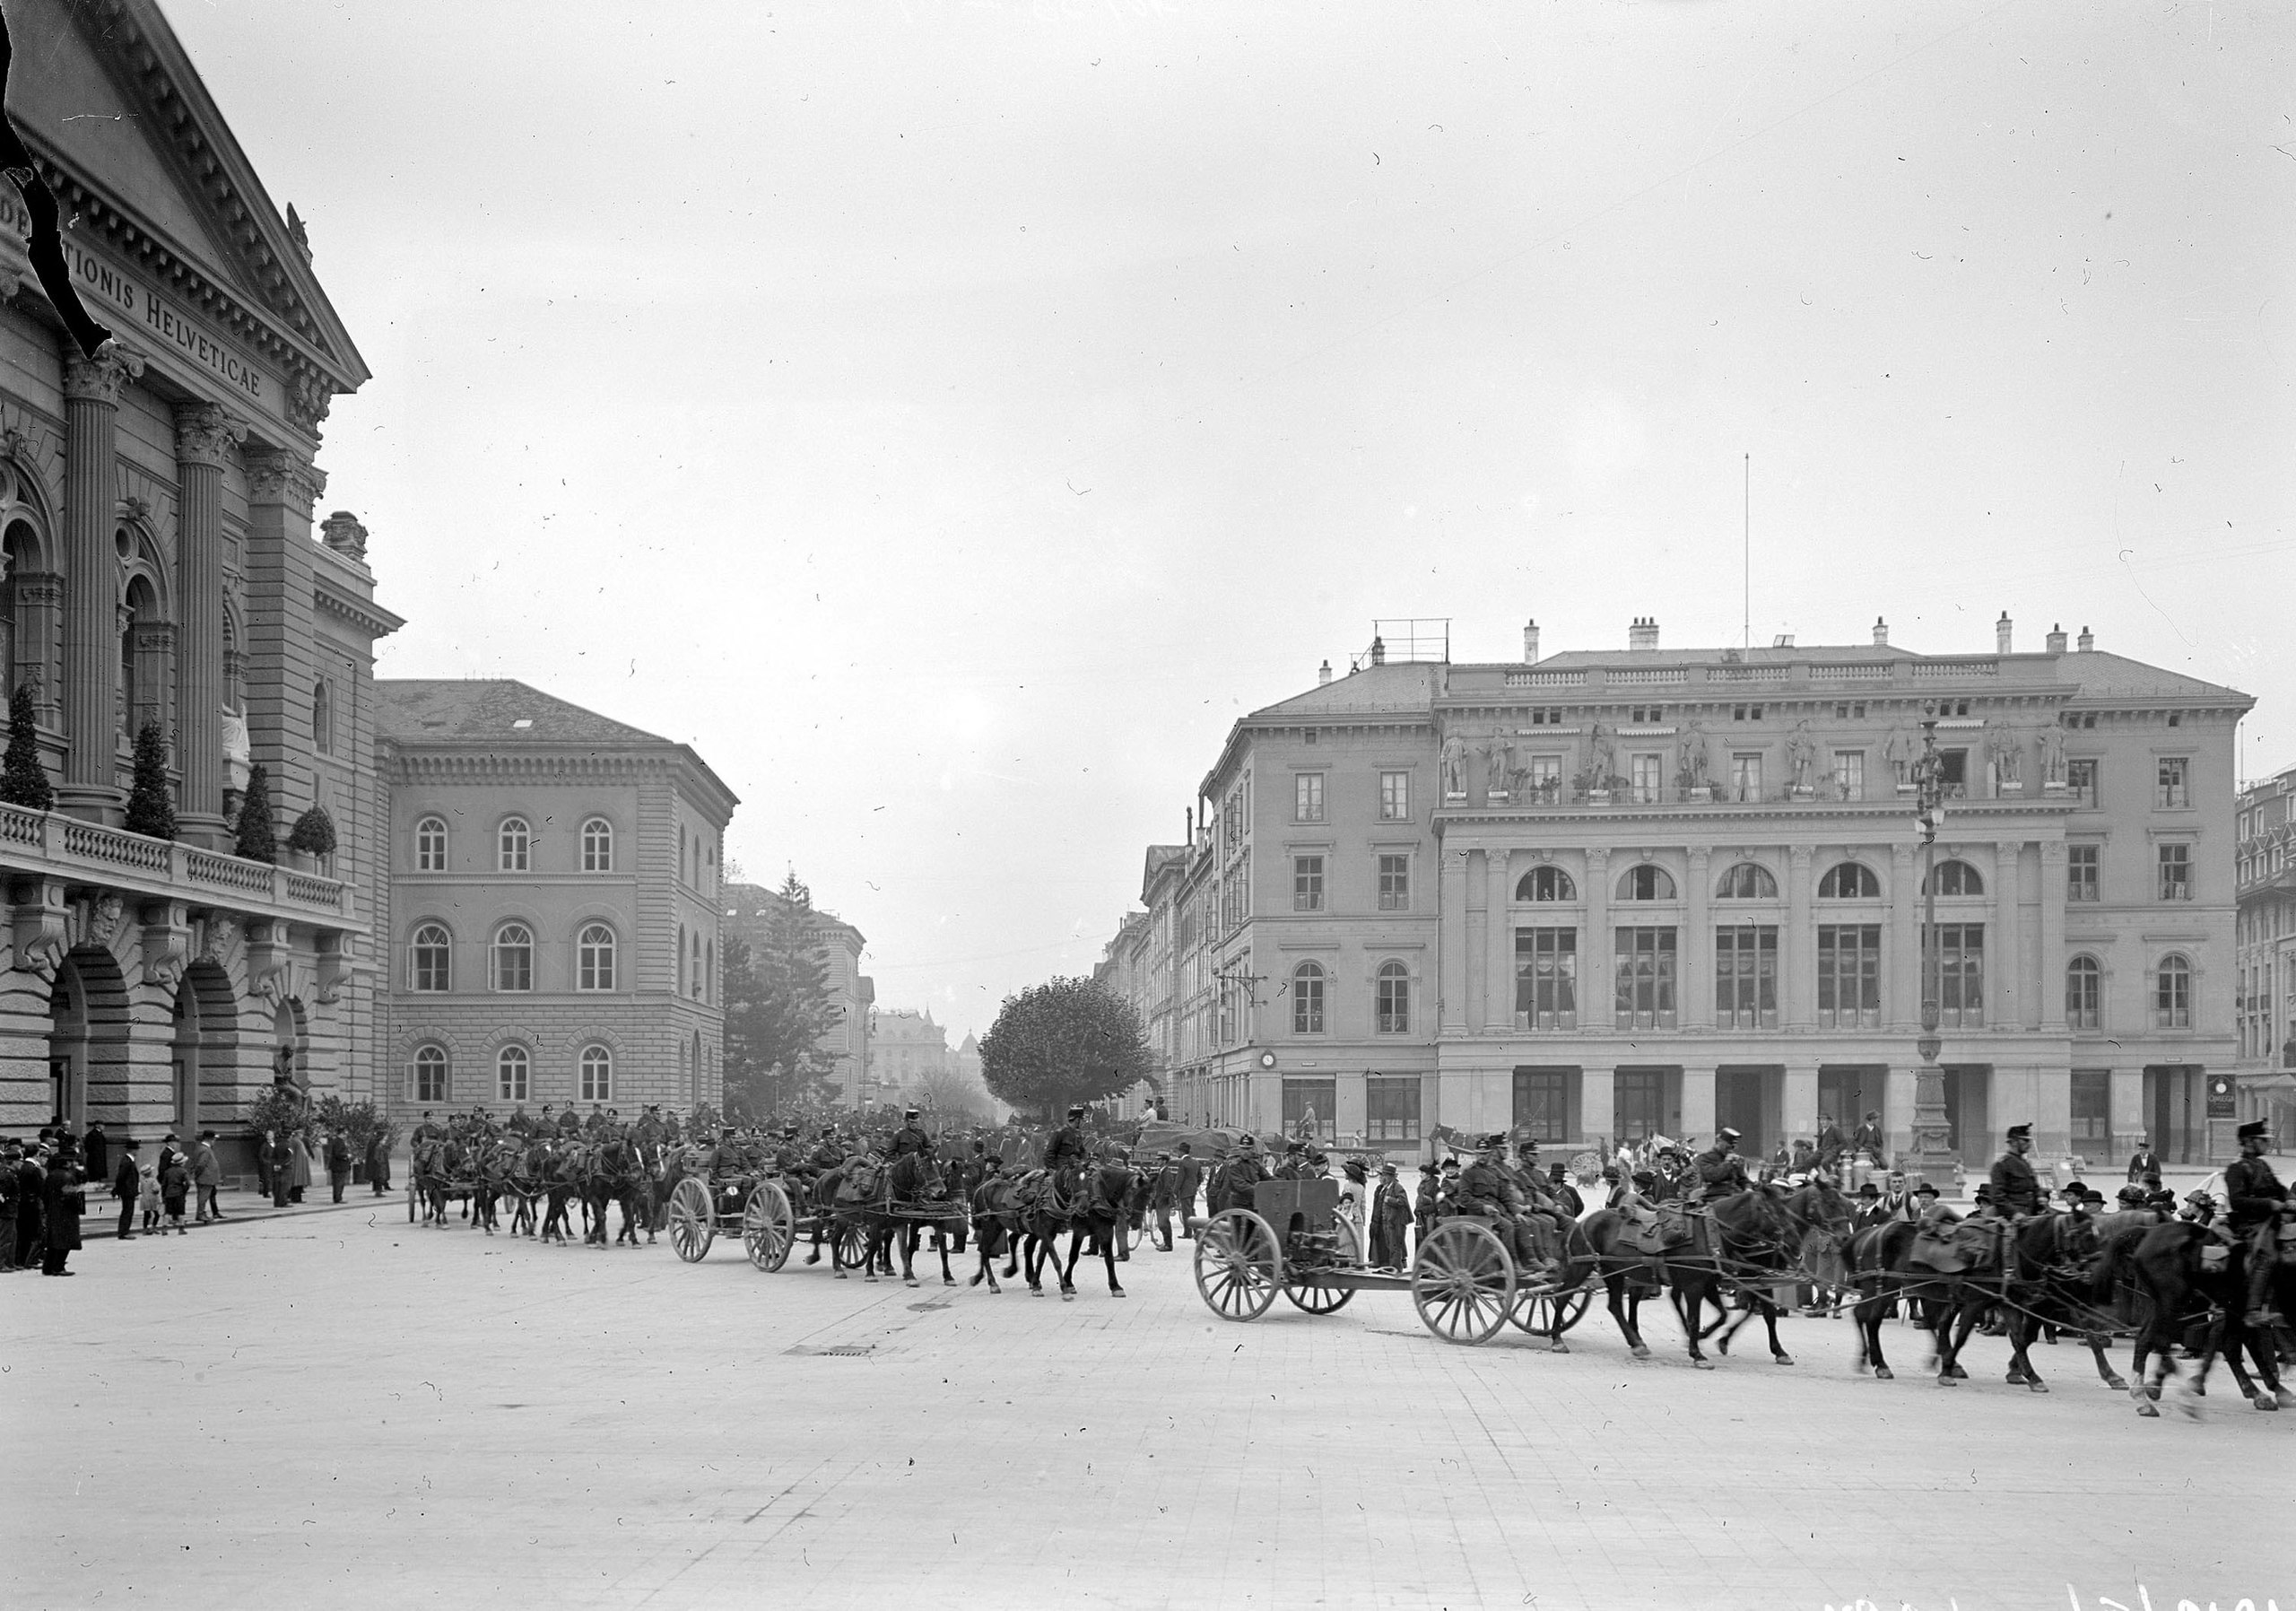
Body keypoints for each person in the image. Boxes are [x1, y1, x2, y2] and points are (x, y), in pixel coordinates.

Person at [2222, 1119, 2287, 1327]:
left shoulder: (2262, 1165)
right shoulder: (2237, 1168)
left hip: (2270, 1220)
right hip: (2249, 1224)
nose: (2267, 1144)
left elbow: (2280, 1190)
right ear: (2249, 1141)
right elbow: (2237, 1201)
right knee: (2268, 1254)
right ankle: (2253, 1309)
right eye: (2263, 1140)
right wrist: (2270, 1204)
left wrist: (2290, 1199)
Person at [40, 1144, 83, 1276]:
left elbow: (45, 1195)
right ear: (67, 1162)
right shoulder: (68, 1177)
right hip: (66, 1213)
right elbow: (72, 1196)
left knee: (53, 1241)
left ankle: (48, 1267)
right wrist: (78, 1207)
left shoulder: (51, 1175)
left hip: (53, 1211)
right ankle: (59, 1267)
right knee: (65, 1241)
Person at [1988, 1123, 2041, 1218]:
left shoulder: (2026, 1164)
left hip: (2031, 1211)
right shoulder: (2002, 1165)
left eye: (2029, 1141)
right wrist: (2013, 1213)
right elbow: (1998, 1196)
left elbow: (2035, 1187)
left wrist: (2041, 1196)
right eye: (2025, 1140)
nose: (2029, 1145)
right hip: (2013, 1215)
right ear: (2014, 1142)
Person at [1370, 1163, 1413, 1270]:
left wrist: (1390, 1200)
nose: (1383, 1178)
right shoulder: (1384, 1188)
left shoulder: (1397, 1187)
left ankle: (1396, 1269)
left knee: (1395, 1246)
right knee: (1390, 1245)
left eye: (1385, 1175)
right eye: (1382, 1175)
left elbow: (1403, 1202)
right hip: (1389, 1222)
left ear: (1392, 1177)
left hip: (1396, 1223)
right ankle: (1391, 1267)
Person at [1694, 1128, 1751, 1202]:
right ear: (1719, 1141)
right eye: (1728, 1147)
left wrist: (1748, 1188)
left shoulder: (1736, 1159)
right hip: (1715, 1195)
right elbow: (1713, 1177)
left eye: (1733, 1147)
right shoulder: (1705, 1158)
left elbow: (1743, 1179)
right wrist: (1727, 1163)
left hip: (1736, 1193)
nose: (1731, 1150)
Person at [111, 1139, 142, 1241]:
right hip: (127, 1190)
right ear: (132, 1150)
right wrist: (117, 1189)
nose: (137, 1151)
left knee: (128, 1211)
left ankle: (124, 1231)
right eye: (136, 1149)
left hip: (128, 1190)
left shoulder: (128, 1160)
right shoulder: (127, 1161)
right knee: (127, 1211)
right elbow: (121, 1177)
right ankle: (123, 1232)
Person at [1172, 1142, 1202, 1238]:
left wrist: (1175, 1191)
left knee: (1186, 1213)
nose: (1178, 1153)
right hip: (1193, 1190)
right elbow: (1200, 1177)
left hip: (1185, 1191)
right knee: (1192, 1211)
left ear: (1182, 1152)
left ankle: (1187, 1233)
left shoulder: (1182, 1163)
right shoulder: (1196, 1162)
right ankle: (1197, 1231)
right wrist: (1195, 1185)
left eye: (1178, 1151)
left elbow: (1179, 1179)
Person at [160, 1150, 191, 1234]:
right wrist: (184, 1190)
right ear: (182, 1163)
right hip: (179, 1193)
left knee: (168, 1212)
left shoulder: (167, 1172)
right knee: (181, 1211)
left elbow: (164, 1185)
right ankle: (181, 1228)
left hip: (169, 1193)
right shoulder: (183, 1171)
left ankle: (164, 1228)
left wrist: (163, 1195)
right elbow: (188, 1183)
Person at [266, 1130, 293, 1209]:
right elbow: (289, 1158)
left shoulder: (277, 1145)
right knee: (285, 1186)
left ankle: (277, 1202)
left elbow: (273, 1156)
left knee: (277, 1186)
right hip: (285, 1169)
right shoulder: (288, 1146)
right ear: (289, 1137)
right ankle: (283, 1202)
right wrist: (282, 1165)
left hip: (276, 1168)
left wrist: (275, 1165)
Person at [326, 1128, 352, 1204]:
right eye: (344, 1133)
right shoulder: (338, 1142)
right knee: (338, 1183)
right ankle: (338, 1198)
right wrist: (347, 1156)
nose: (345, 1135)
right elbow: (338, 1153)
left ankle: (338, 1197)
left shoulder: (338, 1141)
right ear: (341, 1133)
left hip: (339, 1165)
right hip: (339, 1165)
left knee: (339, 1182)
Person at [364, 1128, 390, 1198]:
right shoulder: (377, 1146)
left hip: (379, 1166)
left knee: (379, 1178)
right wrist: (380, 1163)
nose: (385, 1141)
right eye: (384, 1139)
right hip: (378, 1166)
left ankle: (379, 1190)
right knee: (378, 1178)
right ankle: (378, 1191)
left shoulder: (377, 1145)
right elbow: (376, 1157)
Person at [289, 1129, 313, 1204]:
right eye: (301, 1134)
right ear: (298, 1134)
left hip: (300, 1164)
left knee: (299, 1182)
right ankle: (295, 1198)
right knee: (296, 1182)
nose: (302, 1135)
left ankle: (298, 1198)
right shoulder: (295, 1141)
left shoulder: (298, 1141)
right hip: (297, 1164)